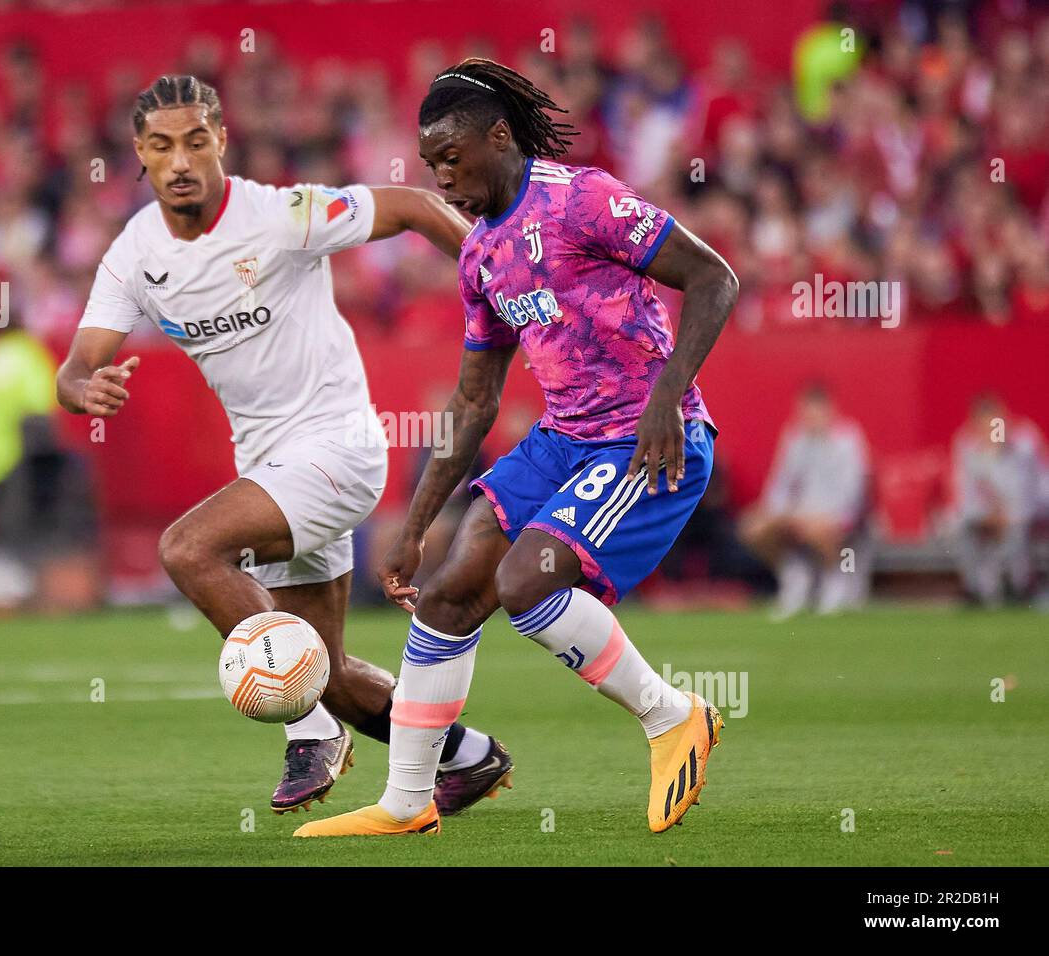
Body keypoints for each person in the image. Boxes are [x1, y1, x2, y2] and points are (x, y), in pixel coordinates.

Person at [296, 59, 738, 838]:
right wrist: (412, 526)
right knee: (448, 592)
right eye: (430, 164)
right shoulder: (478, 255)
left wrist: (669, 395)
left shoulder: (584, 199)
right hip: (563, 439)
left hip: (645, 438)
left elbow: (714, 279)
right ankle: (407, 801)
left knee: (525, 583)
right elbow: (473, 400)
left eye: (451, 159)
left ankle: (675, 717)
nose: (442, 177)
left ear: (498, 137)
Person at [56, 75, 507, 815]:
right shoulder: (135, 253)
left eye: (196, 141)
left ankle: (309, 732)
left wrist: (492, 263)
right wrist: (82, 386)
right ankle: (468, 754)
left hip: (338, 451)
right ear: (139, 152)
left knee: (187, 548)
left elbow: (406, 205)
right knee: (321, 668)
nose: (181, 160)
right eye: (163, 145)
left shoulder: (280, 214)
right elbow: (78, 364)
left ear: (220, 143)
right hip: (272, 470)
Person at [739, 383, 868, 617]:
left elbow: (852, 492)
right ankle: (794, 576)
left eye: (815, 411)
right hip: (799, 513)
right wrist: (776, 512)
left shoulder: (848, 440)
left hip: (838, 515)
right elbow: (780, 485)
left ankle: (836, 583)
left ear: (829, 410)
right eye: (805, 412)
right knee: (753, 527)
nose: (810, 418)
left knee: (817, 530)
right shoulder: (795, 439)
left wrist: (818, 517)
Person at [951, 393, 1045, 606]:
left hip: (1032, 506)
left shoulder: (1024, 441)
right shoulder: (966, 445)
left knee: (1015, 529)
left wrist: (1008, 515)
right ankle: (972, 589)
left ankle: (1017, 585)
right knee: (966, 529)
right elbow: (966, 491)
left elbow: (1029, 488)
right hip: (990, 512)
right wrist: (985, 515)